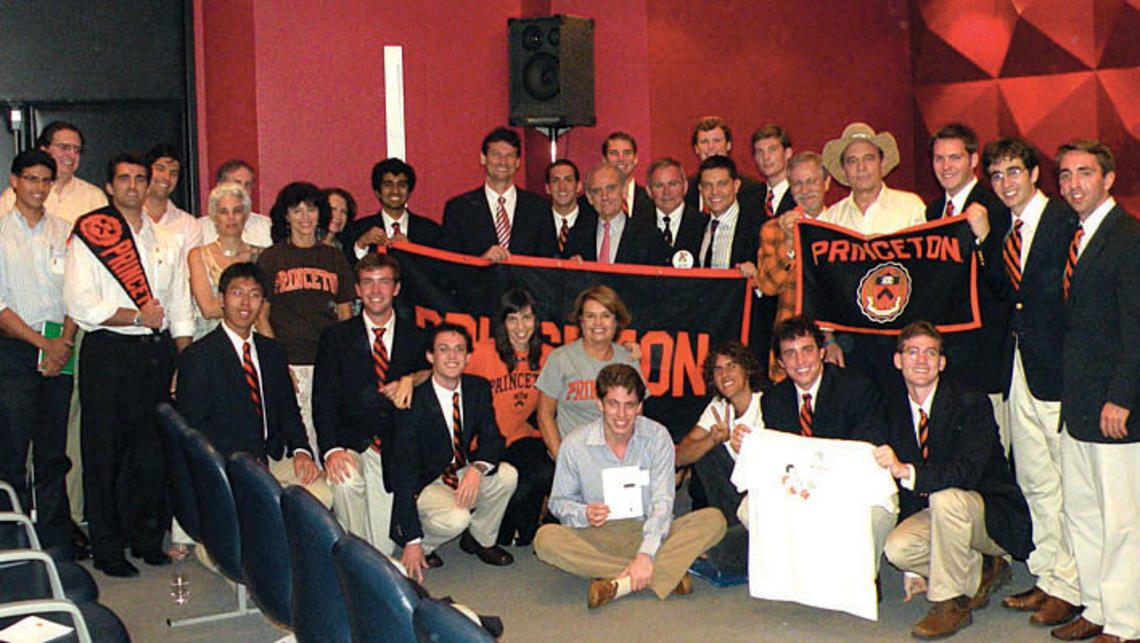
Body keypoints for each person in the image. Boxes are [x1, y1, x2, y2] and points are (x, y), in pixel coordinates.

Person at [64, 153, 194, 577]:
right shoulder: (90, 234)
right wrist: (137, 316)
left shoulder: (165, 239)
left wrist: (183, 357)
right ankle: (108, 548)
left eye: (141, 178)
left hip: (156, 354)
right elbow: (80, 302)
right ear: (109, 186)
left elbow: (178, 303)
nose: (134, 186)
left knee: (151, 454)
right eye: (124, 179)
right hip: (109, 351)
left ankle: (146, 539)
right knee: (105, 453)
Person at [874, 321, 1032, 639]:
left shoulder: (970, 401)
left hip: (988, 514)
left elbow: (964, 474)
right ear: (898, 360)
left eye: (931, 353)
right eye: (913, 352)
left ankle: (950, 603)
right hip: (941, 512)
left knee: (945, 497)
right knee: (898, 549)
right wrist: (911, 571)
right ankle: (985, 570)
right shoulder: (891, 408)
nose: (921, 360)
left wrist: (908, 472)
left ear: (942, 363)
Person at [981, 137, 1082, 627]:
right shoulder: (1003, 227)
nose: (1005, 184)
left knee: (1068, 483)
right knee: (1035, 480)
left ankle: (1076, 583)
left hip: (1057, 371)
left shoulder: (1064, 221)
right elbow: (1003, 295)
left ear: (1035, 174)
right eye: (996, 176)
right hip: (1016, 369)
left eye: (1013, 172)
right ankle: (1049, 575)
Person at [534, 363, 727, 608]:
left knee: (714, 520)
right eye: (613, 404)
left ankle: (618, 583)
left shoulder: (657, 437)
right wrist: (584, 512)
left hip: (648, 529)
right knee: (545, 539)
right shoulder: (574, 445)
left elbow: (663, 503)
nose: (622, 415)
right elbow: (558, 502)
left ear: (640, 406)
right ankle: (660, 573)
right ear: (600, 404)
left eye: (629, 405)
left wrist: (646, 552)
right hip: (597, 534)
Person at [1053, 140, 1140, 643]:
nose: (1073, 185)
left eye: (1084, 173)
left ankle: (1127, 622)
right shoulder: (1076, 233)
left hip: (1113, 406)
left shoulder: (1129, 237)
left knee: (1122, 520)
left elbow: (1137, 326)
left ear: (1108, 179)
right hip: (1077, 403)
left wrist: (1123, 397)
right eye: (1065, 175)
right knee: (1082, 511)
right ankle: (1097, 605)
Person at [176, 262, 330, 504]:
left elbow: (289, 412)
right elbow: (197, 428)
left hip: (274, 457)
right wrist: (246, 463)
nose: (246, 303)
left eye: (254, 295)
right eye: (237, 293)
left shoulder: (273, 351)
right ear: (222, 299)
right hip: (229, 464)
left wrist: (302, 451)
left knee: (323, 496)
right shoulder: (198, 357)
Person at [313, 252, 428, 554]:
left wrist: (412, 379)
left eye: (384, 282)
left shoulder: (416, 337)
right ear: (358, 290)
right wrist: (332, 450)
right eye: (368, 283)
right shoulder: (335, 337)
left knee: (384, 546)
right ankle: (354, 562)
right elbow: (322, 398)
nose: (376, 291)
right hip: (350, 442)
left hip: (389, 450)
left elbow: (434, 377)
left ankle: (366, 555)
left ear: (397, 288)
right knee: (346, 481)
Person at [390, 323, 517, 581]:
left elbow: (494, 439)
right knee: (457, 518)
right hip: (425, 482)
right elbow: (402, 468)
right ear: (430, 357)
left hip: (459, 470)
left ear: (469, 356)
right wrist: (411, 540)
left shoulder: (477, 388)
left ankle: (480, 540)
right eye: (443, 349)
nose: (452, 356)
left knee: (507, 475)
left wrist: (477, 468)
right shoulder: (413, 398)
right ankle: (425, 546)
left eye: (459, 349)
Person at [0, 150, 77, 552]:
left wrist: (62, 343)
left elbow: (75, 296)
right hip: (13, 351)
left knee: (52, 451)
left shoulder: (64, 231)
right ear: (14, 181)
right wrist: (43, 343)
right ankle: (11, 542)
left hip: (61, 349)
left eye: (45, 180)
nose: (39, 187)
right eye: (31, 179)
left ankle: (53, 540)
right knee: (11, 451)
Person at [924, 124, 1012, 449]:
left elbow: (1006, 284)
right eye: (938, 158)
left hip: (984, 353)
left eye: (954, 157)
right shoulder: (932, 211)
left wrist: (986, 237)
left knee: (992, 451)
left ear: (973, 159)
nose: (946, 166)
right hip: (948, 353)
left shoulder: (996, 205)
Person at [256, 182, 355, 456]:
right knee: (297, 442)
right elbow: (261, 316)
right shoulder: (271, 258)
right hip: (289, 361)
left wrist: (343, 361)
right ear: (285, 216)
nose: (305, 217)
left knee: (329, 437)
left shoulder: (333, 258)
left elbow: (346, 312)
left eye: (311, 209)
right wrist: (275, 363)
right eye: (296, 210)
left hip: (327, 361)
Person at [464, 287, 554, 547]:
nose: (520, 327)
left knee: (545, 469)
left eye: (526, 317)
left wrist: (627, 352)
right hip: (484, 442)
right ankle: (484, 527)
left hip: (518, 435)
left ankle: (515, 527)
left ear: (536, 321)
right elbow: (445, 373)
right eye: (512, 319)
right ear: (502, 322)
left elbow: (585, 358)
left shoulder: (547, 356)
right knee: (511, 488)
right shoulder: (482, 353)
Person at [675, 341, 763, 575]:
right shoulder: (718, 407)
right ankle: (727, 533)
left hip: (759, 499)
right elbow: (681, 456)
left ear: (746, 369)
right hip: (729, 503)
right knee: (705, 449)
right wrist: (712, 439)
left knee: (720, 556)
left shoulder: (767, 404)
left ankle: (734, 539)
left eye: (732, 366)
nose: (725, 374)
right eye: (718, 369)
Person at [535, 285, 641, 458]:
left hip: (617, 456)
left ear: (616, 321)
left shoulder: (628, 359)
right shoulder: (560, 358)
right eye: (590, 316)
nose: (598, 323)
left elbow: (637, 415)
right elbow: (544, 415)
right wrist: (562, 459)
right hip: (574, 455)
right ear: (581, 321)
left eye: (606, 316)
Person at [757, 152, 830, 381]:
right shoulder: (774, 229)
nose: (805, 190)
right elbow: (768, 286)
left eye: (811, 181)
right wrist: (789, 245)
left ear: (827, 182)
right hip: (792, 345)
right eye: (797, 183)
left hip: (836, 345)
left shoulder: (843, 225)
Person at [440, 127, 552, 260]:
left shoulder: (539, 207)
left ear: (517, 162)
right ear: (483, 158)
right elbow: (448, 269)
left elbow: (548, 266)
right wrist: (481, 262)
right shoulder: (459, 209)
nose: (503, 162)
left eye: (509, 155)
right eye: (496, 154)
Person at [819, 121, 925, 235]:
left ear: (882, 163)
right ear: (844, 169)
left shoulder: (911, 208)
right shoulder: (832, 219)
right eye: (852, 161)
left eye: (868, 158)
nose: (861, 167)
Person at [187, 183, 261, 341]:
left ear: (246, 215)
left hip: (252, 340)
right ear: (214, 216)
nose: (231, 217)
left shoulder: (262, 255)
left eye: (237, 211)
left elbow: (268, 309)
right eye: (223, 212)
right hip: (210, 341)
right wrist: (251, 308)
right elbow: (207, 309)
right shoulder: (198, 255)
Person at [0, 121, 107, 224]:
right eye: (64, 147)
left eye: (77, 150)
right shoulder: (15, 194)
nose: (71, 155)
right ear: (44, 150)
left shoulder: (94, 197)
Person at [563, 163, 670, 265]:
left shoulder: (649, 236)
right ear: (589, 197)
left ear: (624, 191)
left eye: (611, 189)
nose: (604, 196)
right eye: (597, 191)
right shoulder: (576, 236)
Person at [341, 158, 441, 264]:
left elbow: (439, 274)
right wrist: (361, 246)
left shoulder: (430, 231)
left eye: (402, 185)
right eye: (388, 185)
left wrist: (413, 250)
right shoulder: (357, 230)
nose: (395, 191)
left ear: (410, 192)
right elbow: (348, 271)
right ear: (377, 192)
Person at [684, 116, 764, 214]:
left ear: (728, 145)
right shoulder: (685, 189)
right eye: (704, 142)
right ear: (696, 148)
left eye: (716, 140)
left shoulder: (752, 190)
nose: (710, 147)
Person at [142, 143, 201, 255]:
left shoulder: (188, 225)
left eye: (173, 173)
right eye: (160, 169)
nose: (166, 177)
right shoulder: (130, 218)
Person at [645, 157, 707, 265]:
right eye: (659, 186)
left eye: (673, 184)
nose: (667, 192)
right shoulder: (637, 226)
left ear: (685, 186)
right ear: (649, 191)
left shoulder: (704, 224)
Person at [201, 159, 273, 248]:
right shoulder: (199, 228)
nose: (242, 190)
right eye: (237, 183)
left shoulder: (265, 226)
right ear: (220, 186)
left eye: (247, 185)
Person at [601, 131, 653, 219]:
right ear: (604, 160)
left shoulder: (651, 199)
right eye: (614, 153)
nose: (621, 159)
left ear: (635, 159)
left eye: (627, 153)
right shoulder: (592, 201)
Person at [544, 159, 588, 258]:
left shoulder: (594, 223)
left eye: (568, 180)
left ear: (579, 186)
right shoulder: (536, 223)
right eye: (555, 181)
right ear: (547, 188)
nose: (562, 187)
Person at [750, 124, 797, 218]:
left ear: (788, 153)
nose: (765, 157)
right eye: (760, 151)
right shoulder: (751, 201)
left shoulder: (801, 195)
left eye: (772, 150)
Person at [322, 187, 354, 251]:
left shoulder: (342, 248)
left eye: (343, 211)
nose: (338, 216)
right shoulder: (304, 243)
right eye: (333, 209)